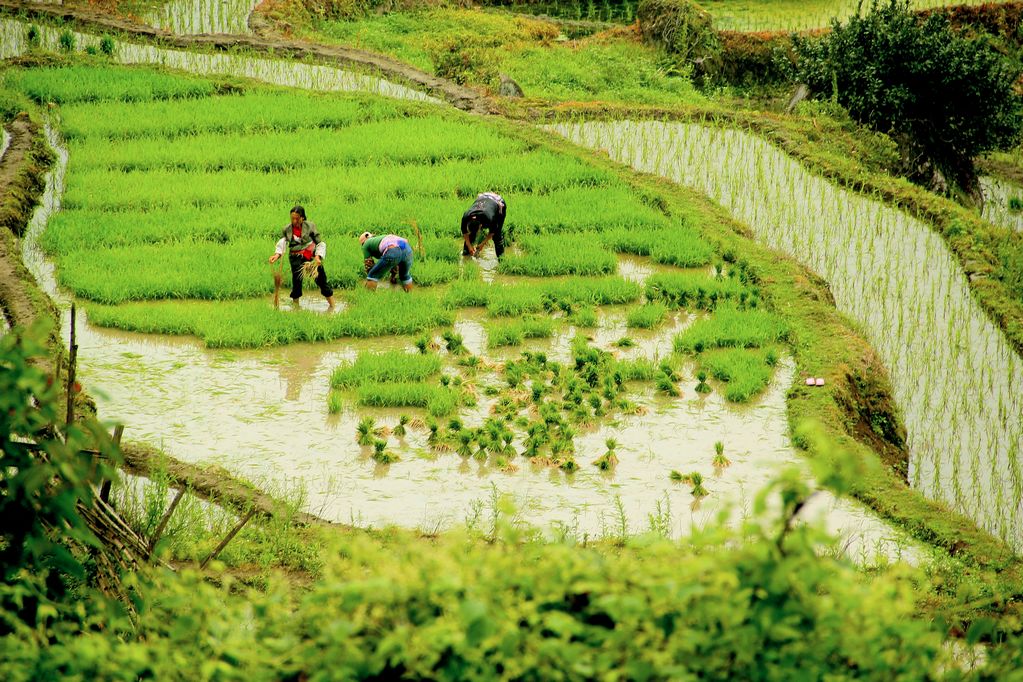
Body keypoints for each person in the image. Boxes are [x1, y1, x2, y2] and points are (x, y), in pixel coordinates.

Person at [268, 205, 335, 310]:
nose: (294, 221)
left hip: (311, 256)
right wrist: (277, 255)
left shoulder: (310, 226)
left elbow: (320, 243)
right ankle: (296, 307)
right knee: (297, 281)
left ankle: (332, 306)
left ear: (302, 217)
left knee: (321, 278)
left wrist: (318, 257)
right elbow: (282, 242)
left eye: (297, 218)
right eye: (292, 218)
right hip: (295, 257)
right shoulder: (287, 229)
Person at [461, 191, 506, 258]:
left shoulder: (489, 218)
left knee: (497, 235)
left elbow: (492, 231)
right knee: (472, 234)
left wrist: (483, 243)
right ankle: (466, 254)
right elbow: (464, 232)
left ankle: (502, 259)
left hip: (497, 201)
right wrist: (469, 245)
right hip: (483, 197)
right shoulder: (466, 216)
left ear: (480, 225)